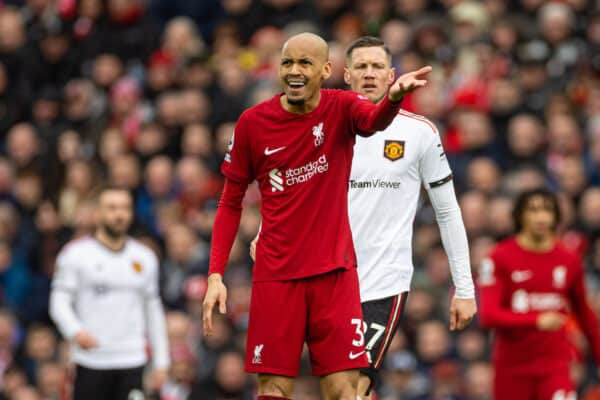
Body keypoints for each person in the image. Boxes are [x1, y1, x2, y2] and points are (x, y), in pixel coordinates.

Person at [202, 32, 432, 400]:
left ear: (326, 70)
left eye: (305, 63)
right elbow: (230, 202)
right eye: (287, 62)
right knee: (273, 388)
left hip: (334, 275)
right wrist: (215, 273)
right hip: (276, 276)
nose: (294, 70)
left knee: (344, 389)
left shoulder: (342, 107)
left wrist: (391, 99)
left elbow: (373, 121)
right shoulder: (252, 123)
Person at [250, 36, 476, 399]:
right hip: (318, 276)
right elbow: (289, 191)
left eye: (377, 67)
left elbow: (447, 210)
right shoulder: (318, 126)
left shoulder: (419, 133)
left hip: (380, 284)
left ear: (391, 75)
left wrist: (464, 288)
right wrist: (266, 229)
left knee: (352, 388)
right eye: (361, 67)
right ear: (344, 73)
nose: (369, 74)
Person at [49, 186, 170, 400]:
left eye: (125, 208)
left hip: (132, 359)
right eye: (112, 208)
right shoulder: (75, 255)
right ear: (97, 213)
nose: (119, 214)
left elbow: (153, 310)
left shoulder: (144, 257)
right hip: (92, 360)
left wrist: (161, 361)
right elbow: (59, 301)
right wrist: (75, 331)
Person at [478, 188, 600, 400]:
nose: (541, 217)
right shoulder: (499, 257)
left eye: (547, 210)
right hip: (512, 368)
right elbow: (488, 316)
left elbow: (585, 315)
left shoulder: (568, 259)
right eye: (533, 210)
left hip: (555, 365)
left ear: (556, 217)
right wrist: (536, 320)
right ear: (519, 215)